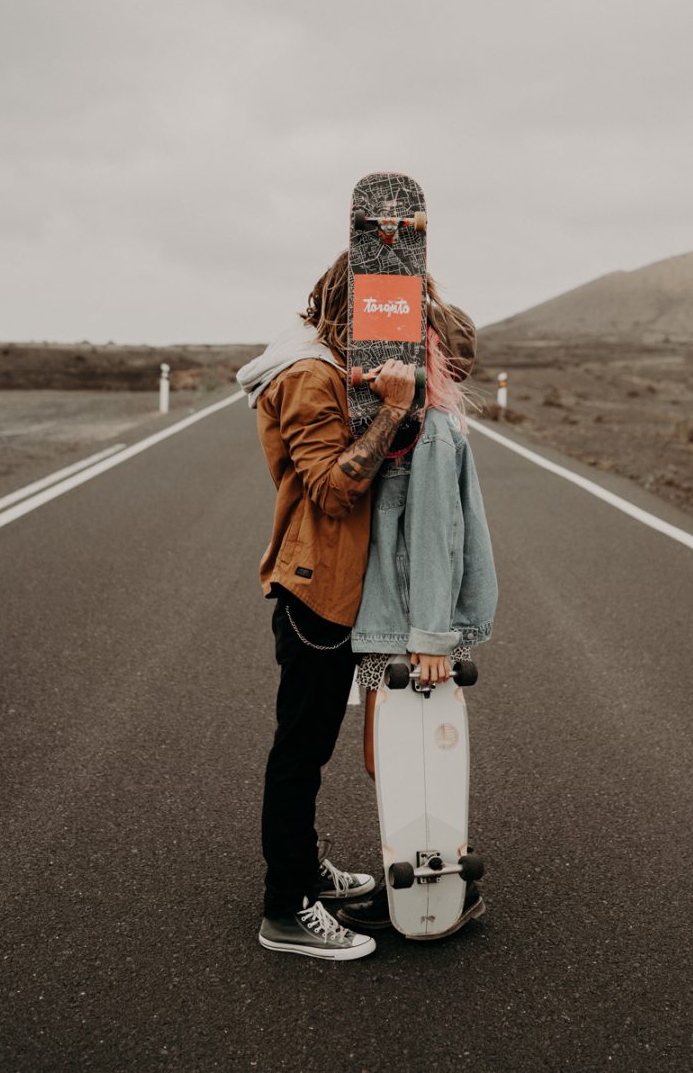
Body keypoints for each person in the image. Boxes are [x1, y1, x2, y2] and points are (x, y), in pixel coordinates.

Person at [236, 251, 479, 960]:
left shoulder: (332, 366)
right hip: (317, 592)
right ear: (356, 305)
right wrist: (396, 412)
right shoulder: (310, 375)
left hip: (339, 590)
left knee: (310, 746)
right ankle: (285, 908)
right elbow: (334, 488)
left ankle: (304, 868)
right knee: (301, 751)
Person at [335, 323, 498, 938]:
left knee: (401, 756)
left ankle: (445, 881)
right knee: (397, 760)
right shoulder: (419, 424)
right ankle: (416, 868)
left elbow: (436, 535)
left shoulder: (428, 432)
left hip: (407, 632)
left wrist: (430, 639)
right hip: (397, 627)